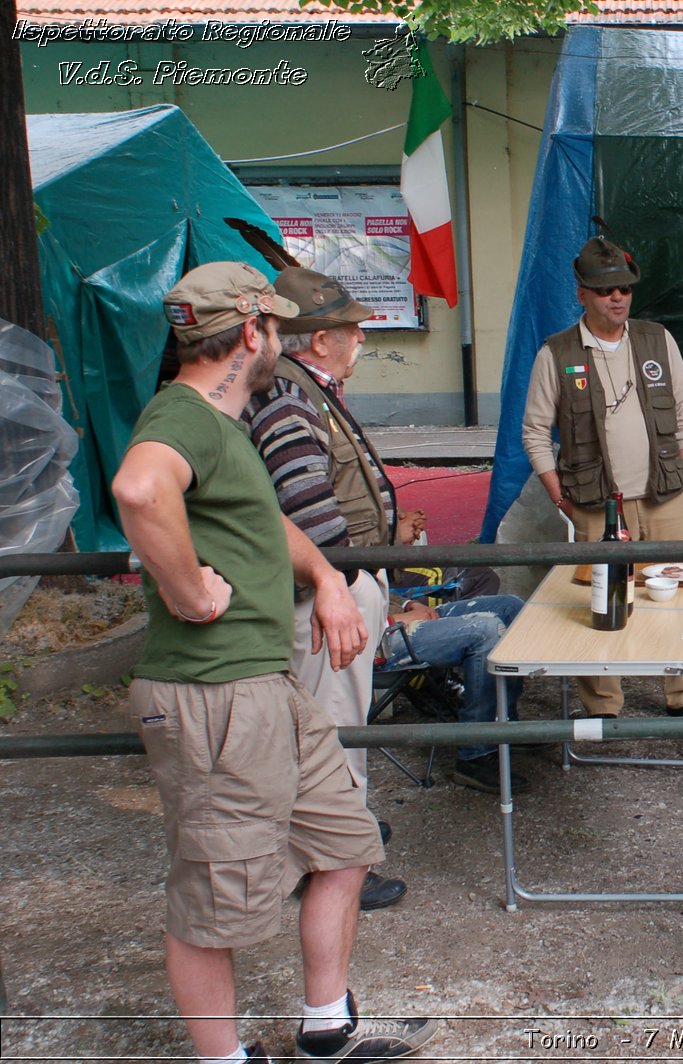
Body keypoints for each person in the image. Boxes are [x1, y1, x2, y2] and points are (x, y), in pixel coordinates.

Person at [112, 262, 436, 1062]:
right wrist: (188, 591)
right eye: (278, 328)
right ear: (252, 333)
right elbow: (139, 488)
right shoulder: (182, 417)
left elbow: (267, 522)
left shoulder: (228, 421)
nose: (282, 342)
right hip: (213, 693)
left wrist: (326, 576)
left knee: (346, 846)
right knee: (213, 899)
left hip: (266, 687)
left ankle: (327, 1027)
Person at [245, 267, 529, 801]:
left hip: (353, 595)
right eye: (354, 329)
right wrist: (382, 601)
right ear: (323, 340)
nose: (363, 337)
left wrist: (387, 548)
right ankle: (343, 845)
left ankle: (502, 735)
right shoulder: (290, 398)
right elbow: (310, 521)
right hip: (337, 605)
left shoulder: (311, 390)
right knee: (334, 730)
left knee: (508, 605)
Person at [522, 234, 683, 719]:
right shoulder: (556, 354)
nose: (618, 297)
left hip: (666, 496)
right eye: (606, 290)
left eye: (624, 288)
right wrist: (559, 496)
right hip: (596, 503)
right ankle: (603, 705)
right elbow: (535, 433)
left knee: (677, 596)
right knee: (595, 605)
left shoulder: (657, 339)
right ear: (582, 293)